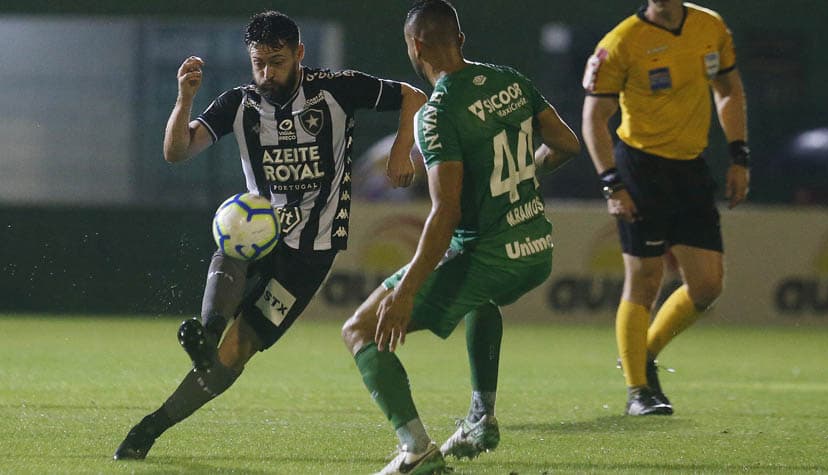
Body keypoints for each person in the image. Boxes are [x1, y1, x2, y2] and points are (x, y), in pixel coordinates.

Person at [113, 10, 426, 460]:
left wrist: (400, 152)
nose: (266, 72)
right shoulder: (239, 104)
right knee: (237, 231)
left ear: (299, 53)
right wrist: (183, 99)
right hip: (262, 230)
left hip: (311, 253)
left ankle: (152, 426)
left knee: (239, 350)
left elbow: (412, 95)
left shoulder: (336, 89)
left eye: (276, 61)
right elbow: (176, 152)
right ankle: (207, 332)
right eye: (258, 62)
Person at [341, 1, 581, 473]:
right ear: (461, 39)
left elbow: (444, 213)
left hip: (490, 253)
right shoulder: (511, 80)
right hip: (536, 249)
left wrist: (405, 291)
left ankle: (416, 449)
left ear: (416, 46)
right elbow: (567, 144)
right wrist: (524, 173)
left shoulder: (436, 114)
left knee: (361, 330)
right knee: (479, 299)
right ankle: (480, 419)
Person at [581, 0, 750, 416]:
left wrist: (739, 156)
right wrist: (611, 183)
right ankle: (638, 391)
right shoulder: (622, 42)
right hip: (641, 168)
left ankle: (644, 353)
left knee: (708, 285)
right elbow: (594, 116)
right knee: (644, 278)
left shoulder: (710, 25)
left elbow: (728, 89)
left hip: (691, 168)